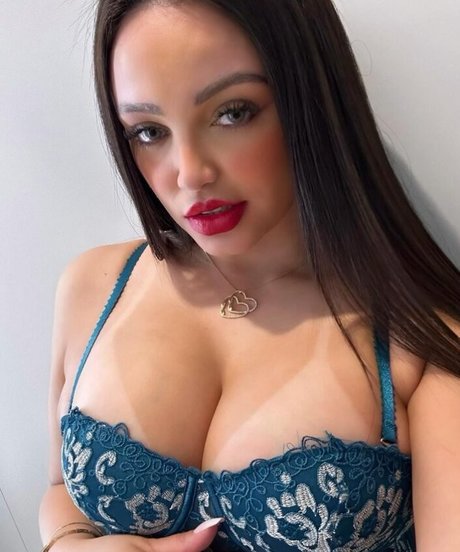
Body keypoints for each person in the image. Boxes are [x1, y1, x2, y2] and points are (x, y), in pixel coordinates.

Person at [39, 0, 460, 550]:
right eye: (148, 131)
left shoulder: (426, 345)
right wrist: (69, 542)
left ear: (312, 100)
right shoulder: (93, 285)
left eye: (233, 113)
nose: (190, 173)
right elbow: (61, 489)